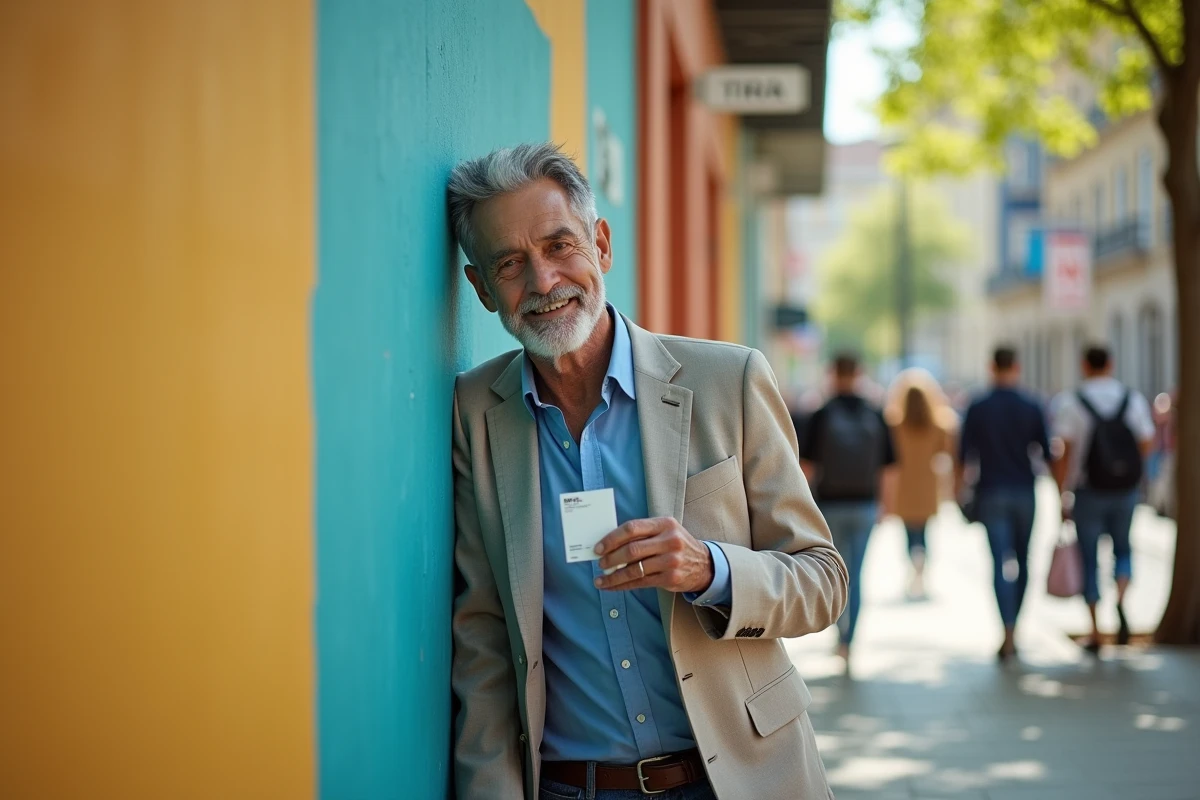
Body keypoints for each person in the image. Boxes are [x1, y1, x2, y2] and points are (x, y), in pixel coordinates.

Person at [446, 143, 847, 800]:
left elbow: (824, 582)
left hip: (740, 779)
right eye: (510, 264)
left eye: (559, 246)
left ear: (601, 245)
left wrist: (711, 569)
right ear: (483, 289)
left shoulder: (730, 380)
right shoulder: (474, 412)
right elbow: (483, 631)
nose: (544, 282)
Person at [1051, 345, 1155, 654]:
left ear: (1084, 365)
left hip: (1087, 491)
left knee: (1088, 557)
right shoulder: (1131, 399)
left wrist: (1061, 494)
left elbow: (1064, 455)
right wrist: (1126, 469)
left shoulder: (1072, 402)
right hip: (1124, 489)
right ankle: (1121, 597)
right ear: (1111, 364)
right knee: (1123, 548)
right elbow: (1146, 442)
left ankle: (1096, 630)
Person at [957, 346, 1052, 661]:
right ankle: (1016, 628)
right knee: (1024, 561)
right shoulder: (1031, 404)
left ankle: (1006, 629)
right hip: (1025, 491)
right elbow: (1048, 453)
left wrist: (958, 492)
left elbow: (963, 456)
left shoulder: (979, 405)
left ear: (991, 367)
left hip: (991, 492)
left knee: (999, 562)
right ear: (1017, 367)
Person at [800, 354, 896, 664]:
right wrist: (885, 505)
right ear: (859, 373)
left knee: (833, 572)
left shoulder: (822, 414)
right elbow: (889, 467)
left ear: (833, 374)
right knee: (857, 573)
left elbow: (806, 467)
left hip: (829, 505)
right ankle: (848, 640)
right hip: (865, 504)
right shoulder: (875, 412)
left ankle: (837, 631)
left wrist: (803, 507)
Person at [886, 373, 956, 599]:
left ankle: (912, 570)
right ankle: (922, 573)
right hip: (927, 484)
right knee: (924, 532)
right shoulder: (938, 425)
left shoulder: (895, 425)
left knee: (908, 533)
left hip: (904, 485)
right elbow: (946, 452)